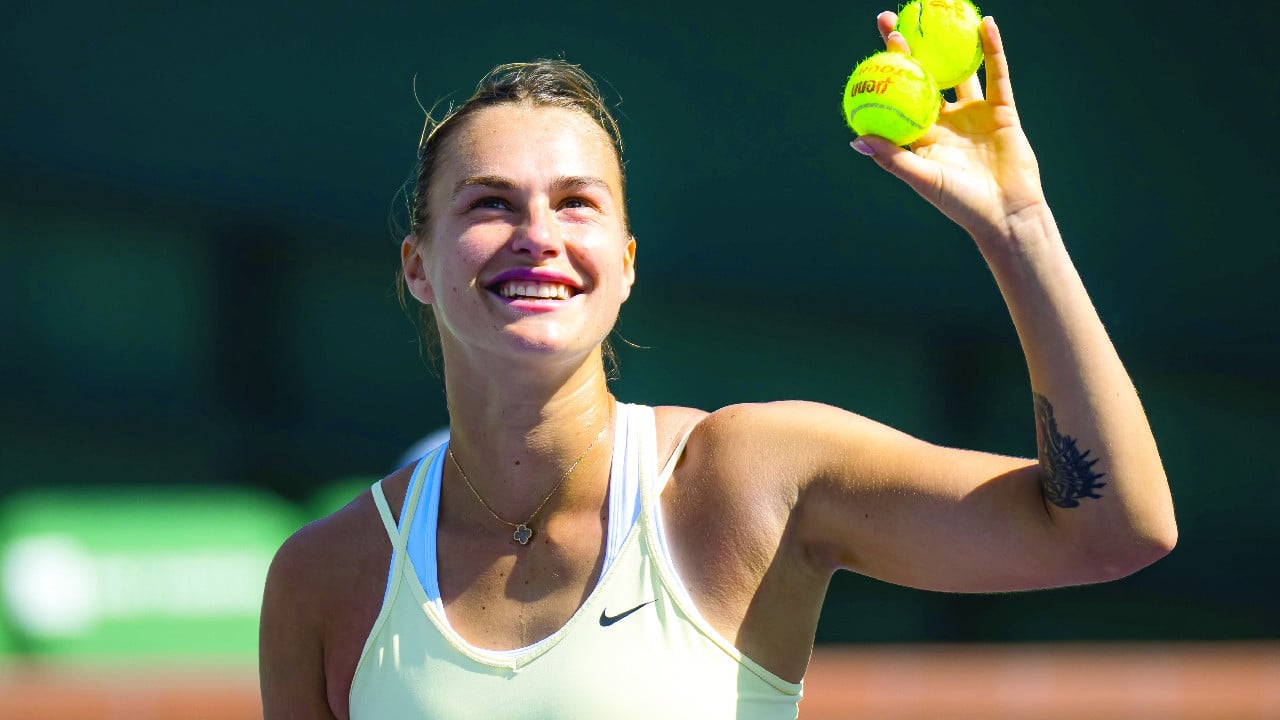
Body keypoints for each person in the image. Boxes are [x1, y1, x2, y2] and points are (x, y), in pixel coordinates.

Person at [259, 11, 1176, 719]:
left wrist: (1018, 228)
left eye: (577, 203)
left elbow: (1113, 528)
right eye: (491, 203)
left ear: (624, 264)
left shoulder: (749, 480)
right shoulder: (322, 578)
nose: (537, 236)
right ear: (418, 264)